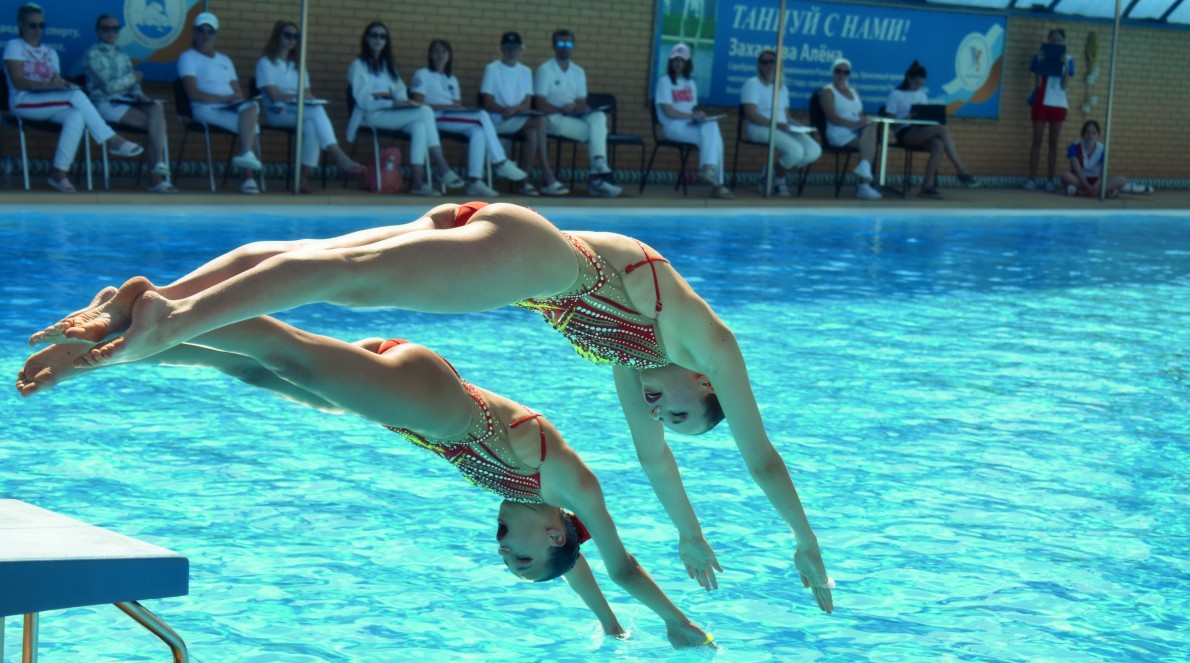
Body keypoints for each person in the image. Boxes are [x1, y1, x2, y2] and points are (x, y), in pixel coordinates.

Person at [30, 202, 835, 614]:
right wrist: (805, 540)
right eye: (686, 411)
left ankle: (143, 304)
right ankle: (171, 319)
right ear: (706, 386)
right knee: (343, 278)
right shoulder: (702, 338)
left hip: (496, 246)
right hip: (535, 257)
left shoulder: (633, 367)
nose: (665, 414)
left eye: (669, 419)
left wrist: (690, 534)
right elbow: (760, 455)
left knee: (308, 263)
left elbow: (653, 463)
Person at [16, 299, 712, 649]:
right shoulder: (572, 487)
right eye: (521, 553)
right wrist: (681, 625)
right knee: (284, 352)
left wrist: (612, 629)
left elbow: (581, 570)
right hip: (436, 403)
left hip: (407, 404)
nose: (504, 548)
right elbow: (613, 562)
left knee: (251, 368)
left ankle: (109, 347)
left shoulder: (543, 510)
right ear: (558, 530)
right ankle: (154, 313)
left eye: (507, 558)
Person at [3, 2, 143, 193]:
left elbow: (55, 81)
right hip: (22, 101)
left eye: (41, 25)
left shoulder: (50, 53)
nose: (37, 30)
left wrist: (59, 84)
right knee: (76, 96)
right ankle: (112, 139)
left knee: (76, 115)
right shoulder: (14, 46)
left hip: (47, 103)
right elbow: (18, 82)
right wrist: (49, 86)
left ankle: (58, 173)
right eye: (32, 25)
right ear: (21, 25)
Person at [346, 22, 465, 196]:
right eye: (374, 35)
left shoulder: (389, 66)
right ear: (366, 38)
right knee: (425, 111)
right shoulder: (359, 65)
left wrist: (404, 102)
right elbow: (364, 101)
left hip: (391, 112)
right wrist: (392, 104)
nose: (378, 39)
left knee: (420, 126)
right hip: (370, 115)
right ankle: (442, 166)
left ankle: (417, 182)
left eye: (382, 36)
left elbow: (400, 92)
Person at [255, 21, 364, 193]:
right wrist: (299, 97)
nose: (292, 40)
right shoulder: (266, 63)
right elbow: (274, 96)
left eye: (295, 36)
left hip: (299, 111)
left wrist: (311, 100)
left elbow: (308, 94)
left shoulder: (298, 65)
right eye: (287, 35)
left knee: (313, 123)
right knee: (314, 113)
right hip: (277, 111)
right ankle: (339, 156)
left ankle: (303, 179)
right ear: (278, 36)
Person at [410, 39, 528, 198]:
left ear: (449, 55)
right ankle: (500, 162)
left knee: (478, 131)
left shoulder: (451, 79)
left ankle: (474, 181)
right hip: (433, 118)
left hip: (451, 118)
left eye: (444, 52)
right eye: (436, 52)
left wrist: (455, 108)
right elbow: (418, 103)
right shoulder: (423, 74)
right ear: (430, 55)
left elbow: (457, 105)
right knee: (481, 116)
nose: (440, 55)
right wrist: (449, 107)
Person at [83, 13, 175, 192]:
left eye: (114, 29)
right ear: (98, 31)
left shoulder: (122, 54)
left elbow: (133, 86)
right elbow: (108, 87)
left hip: (126, 101)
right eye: (105, 29)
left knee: (156, 107)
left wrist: (139, 94)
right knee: (156, 126)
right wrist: (133, 78)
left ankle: (158, 167)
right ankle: (157, 176)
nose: (110, 32)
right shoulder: (91, 54)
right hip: (105, 103)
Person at [177, 12, 263, 194]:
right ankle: (247, 177)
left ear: (216, 34)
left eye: (210, 31)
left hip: (230, 107)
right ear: (194, 32)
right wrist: (226, 99)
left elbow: (237, 90)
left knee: (252, 107)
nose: (205, 35)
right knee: (252, 128)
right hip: (204, 109)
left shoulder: (225, 60)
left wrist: (238, 99)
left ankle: (245, 155)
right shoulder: (188, 57)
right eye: (201, 30)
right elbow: (193, 94)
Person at [534, 29, 622, 198]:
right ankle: (597, 181)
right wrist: (562, 108)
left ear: (573, 46)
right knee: (596, 133)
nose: (564, 47)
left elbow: (581, 100)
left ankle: (598, 163)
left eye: (568, 44)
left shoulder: (578, 71)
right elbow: (540, 104)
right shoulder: (545, 70)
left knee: (598, 117)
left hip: (573, 117)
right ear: (553, 45)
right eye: (560, 43)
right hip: (552, 118)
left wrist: (578, 108)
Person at [480, 31, 569, 196]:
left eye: (515, 48)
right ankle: (544, 175)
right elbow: (487, 101)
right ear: (501, 49)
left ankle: (525, 181)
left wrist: (513, 110)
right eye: (507, 48)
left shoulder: (525, 71)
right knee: (538, 122)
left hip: (517, 118)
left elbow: (527, 102)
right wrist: (504, 110)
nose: (511, 52)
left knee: (533, 132)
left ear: (520, 50)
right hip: (496, 122)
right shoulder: (492, 69)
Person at [883, 60, 978, 200]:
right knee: (942, 129)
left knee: (938, 145)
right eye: (915, 84)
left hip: (920, 130)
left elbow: (925, 118)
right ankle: (960, 169)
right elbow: (890, 124)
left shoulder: (922, 95)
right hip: (904, 132)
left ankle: (926, 187)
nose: (917, 87)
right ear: (909, 79)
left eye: (920, 85)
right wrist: (906, 118)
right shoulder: (896, 94)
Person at [739, 49, 820, 198]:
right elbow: (751, 114)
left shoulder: (782, 88)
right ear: (759, 66)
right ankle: (779, 179)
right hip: (760, 128)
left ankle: (772, 170)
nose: (769, 65)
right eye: (765, 62)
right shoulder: (752, 84)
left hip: (782, 127)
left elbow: (786, 116)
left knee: (814, 150)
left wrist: (799, 126)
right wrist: (776, 124)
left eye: (773, 62)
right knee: (795, 151)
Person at [656, 43, 732, 199]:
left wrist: (699, 114)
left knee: (712, 126)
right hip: (673, 128)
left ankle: (709, 170)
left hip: (690, 126)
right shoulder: (664, 82)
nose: (678, 63)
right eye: (675, 60)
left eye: (681, 60)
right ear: (670, 62)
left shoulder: (690, 83)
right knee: (714, 141)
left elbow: (692, 108)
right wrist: (692, 116)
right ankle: (717, 184)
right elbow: (668, 112)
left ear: (687, 63)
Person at [819, 58, 881, 201]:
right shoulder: (827, 91)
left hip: (856, 130)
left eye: (846, 72)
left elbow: (859, 113)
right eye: (838, 71)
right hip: (838, 132)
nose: (842, 74)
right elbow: (832, 117)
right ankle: (863, 185)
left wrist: (863, 120)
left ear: (849, 74)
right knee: (869, 144)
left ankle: (864, 168)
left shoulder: (853, 92)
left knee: (871, 128)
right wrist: (854, 125)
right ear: (833, 72)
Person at [1025, 29, 1074, 192]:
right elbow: (1038, 83)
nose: (1056, 42)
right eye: (1053, 39)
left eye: (1059, 40)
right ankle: (1031, 179)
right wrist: (1040, 64)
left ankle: (1050, 180)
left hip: (1058, 104)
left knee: (1053, 142)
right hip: (1041, 101)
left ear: (1063, 42)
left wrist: (1065, 66)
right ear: (1048, 40)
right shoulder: (1038, 56)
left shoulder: (1068, 59)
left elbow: (1064, 85)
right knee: (1036, 139)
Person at [1059, 119, 1137, 198]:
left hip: (1097, 181)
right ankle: (1101, 193)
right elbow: (1078, 171)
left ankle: (1081, 193)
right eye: (1087, 132)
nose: (1090, 135)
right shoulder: (1074, 146)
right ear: (1083, 134)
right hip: (1080, 179)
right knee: (1064, 175)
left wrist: (1094, 187)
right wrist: (1089, 188)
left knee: (1122, 180)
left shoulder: (1102, 149)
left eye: (1093, 133)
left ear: (1098, 135)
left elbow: (1102, 173)